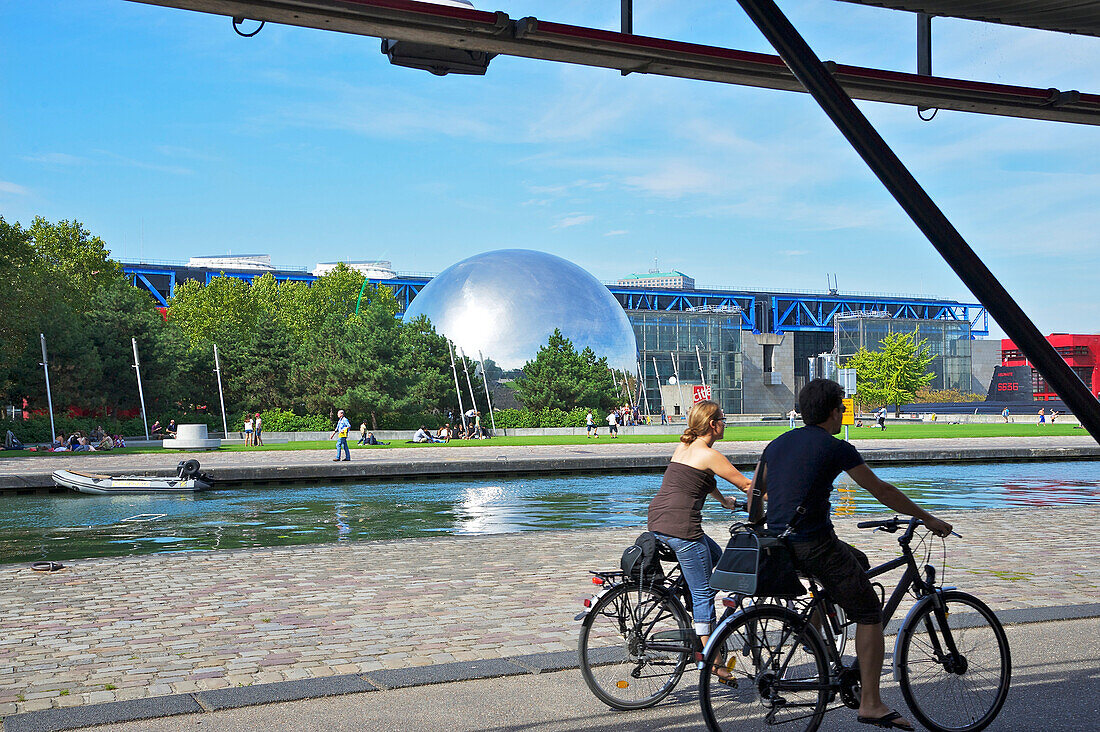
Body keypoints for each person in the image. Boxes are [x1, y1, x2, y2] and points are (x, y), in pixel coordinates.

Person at [747, 379, 952, 731]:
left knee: (858, 562)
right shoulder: (836, 446)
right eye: (841, 406)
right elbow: (881, 489)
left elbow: (754, 494)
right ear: (831, 411)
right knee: (869, 611)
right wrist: (927, 517)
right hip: (815, 544)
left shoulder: (776, 444)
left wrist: (761, 523)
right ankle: (871, 703)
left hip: (778, 545)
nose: (844, 411)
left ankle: (816, 625)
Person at [647, 400, 751, 674]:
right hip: (683, 529)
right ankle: (712, 662)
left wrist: (722, 500)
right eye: (723, 419)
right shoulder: (710, 454)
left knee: (720, 558)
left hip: (658, 521)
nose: (725, 423)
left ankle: (692, 605)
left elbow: (700, 479)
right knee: (704, 593)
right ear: (713, 424)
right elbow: (747, 485)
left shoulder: (684, 446)